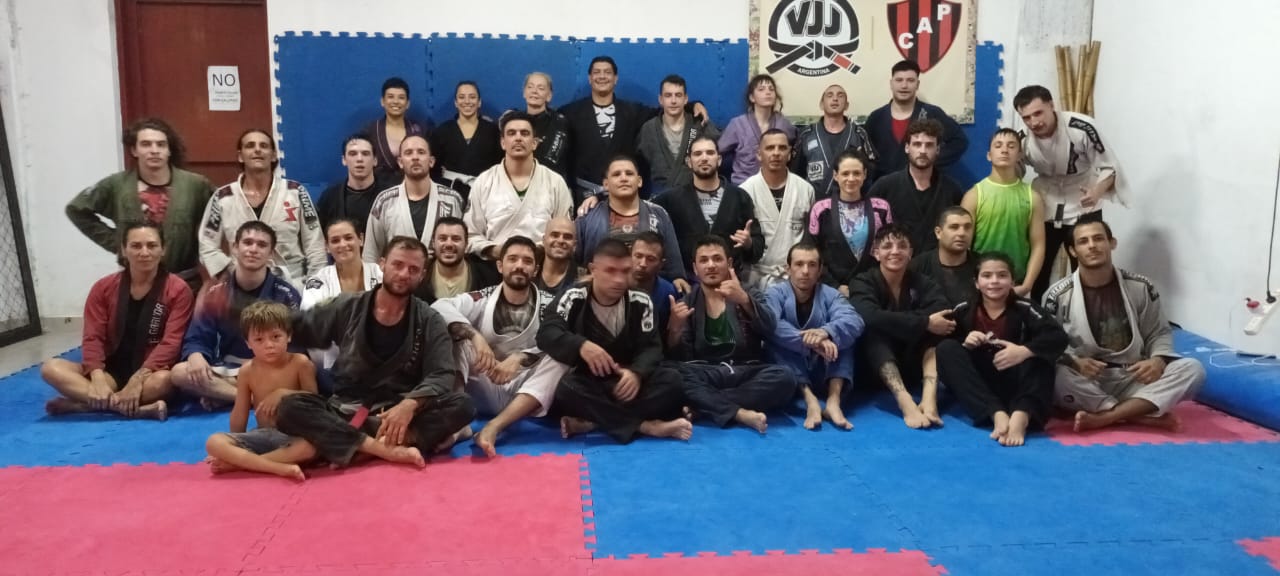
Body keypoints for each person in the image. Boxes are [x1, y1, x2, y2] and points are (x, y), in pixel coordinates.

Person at [275, 236, 476, 468]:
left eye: (413, 269)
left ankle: (352, 444)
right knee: (289, 407)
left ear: (422, 275)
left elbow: (441, 373)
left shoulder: (429, 319)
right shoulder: (348, 306)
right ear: (382, 264)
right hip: (346, 409)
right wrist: (246, 313)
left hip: (399, 413)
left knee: (463, 405)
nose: (404, 274)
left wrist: (409, 405)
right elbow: (303, 326)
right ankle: (381, 448)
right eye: (397, 265)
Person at [1043, 220, 1204, 432]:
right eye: (1083, 241)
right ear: (1073, 251)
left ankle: (1106, 416)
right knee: (1052, 374)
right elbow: (1048, 344)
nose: (1092, 246)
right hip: (1088, 380)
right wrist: (1075, 362)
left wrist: (1157, 360)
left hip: (1134, 376)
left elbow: (1158, 332)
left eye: (1098, 239)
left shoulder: (1141, 286)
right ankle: (1138, 415)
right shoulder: (1057, 295)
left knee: (1193, 369)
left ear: (1112, 243)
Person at [538, 238, 692, 443]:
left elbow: (652, 347)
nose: (619, 280)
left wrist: (637, 373)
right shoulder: (573, 297)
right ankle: (645, 426)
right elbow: (546, 333)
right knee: (565, 388)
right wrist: (580, 345)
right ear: (593, 269)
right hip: (589, 381)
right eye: (610, 271)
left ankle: (595, 421)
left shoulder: (641, 300)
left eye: (625, 271)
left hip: (627, 382)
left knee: (673, 381)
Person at [431, 236, 568, 457]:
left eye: (527, 261)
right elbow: (439, 306)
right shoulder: (483, 298)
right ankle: (457, 422)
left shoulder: (550, 303)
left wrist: (520, 358)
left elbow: (564, 340)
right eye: (513, 259)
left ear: (535, 270)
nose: (519, 266)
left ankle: (494, 427)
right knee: (458, 339)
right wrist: (474, 336)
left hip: (525, 391)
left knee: (561, 358)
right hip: (486, 382)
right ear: (500, 266)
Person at [41, 223, 193, 420]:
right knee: (51, 368)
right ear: (123, 250)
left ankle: (87, 405)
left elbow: (172, 342)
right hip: (109, 371)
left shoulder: (178, 290)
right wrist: (97, 376)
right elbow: (93, 337)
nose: (144, 252)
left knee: (165, 381)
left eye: (152, 245)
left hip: (152, 373)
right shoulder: (103, 288)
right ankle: (127, 408)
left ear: (163, 249)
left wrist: (138, 378)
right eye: (136, 246)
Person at [65, 118, 214, 290]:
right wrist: (118, 243)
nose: (154, 150)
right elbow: (76, 209)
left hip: (185, 282)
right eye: (146, 144)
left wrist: (213, 253)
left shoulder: (195, 185)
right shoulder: (117, 185)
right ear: (134, 150)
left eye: (161, 145)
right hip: (135, 282)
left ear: (169, 150)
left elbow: (225, 211)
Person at [937, 252, 1068, 447]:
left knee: (1041, 358)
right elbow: (945, 340)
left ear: (1012, 281)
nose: (994, 281)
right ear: (976, 283)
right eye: (987, 276)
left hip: (1017, 382)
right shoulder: (964, 309)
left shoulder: (1026, 308)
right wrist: (965, 341)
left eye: (1002, 275)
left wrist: (1023, 351)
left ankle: (1021, 416)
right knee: (946, 349)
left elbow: (1058, 337)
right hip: (982, 386)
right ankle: (995, 413)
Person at [667, 236, 794, 433]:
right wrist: (674, 329)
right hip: (707, 372)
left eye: (717, 259)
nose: (711, 265)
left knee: (785, 377)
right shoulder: (687, 302)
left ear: (729, 263)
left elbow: (770, 327)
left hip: (745, 370)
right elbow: (680, 357)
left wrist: (744, 300)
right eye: (704, 260)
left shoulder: (747, 292)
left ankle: (705, 404)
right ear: (695, 268)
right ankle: (739, 413)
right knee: (670, 373)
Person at [172, 222, 303, 407]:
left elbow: (297, 345)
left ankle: (222, 394)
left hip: (270, 368)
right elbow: (197, 338)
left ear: (271, 253)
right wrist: (196, 355)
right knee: (179, 372)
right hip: (230, 368)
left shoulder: (286, 294)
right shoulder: (216, 293)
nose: (253, 249)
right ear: (235, 247)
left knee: (299, 372)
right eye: (247, 242)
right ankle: (250, 398)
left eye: (262, 245)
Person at [1015, 85, 1126, 298]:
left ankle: (1090, 309)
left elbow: (1109, 166)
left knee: (1088, 264)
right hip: (1046, 198)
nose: (1034, 122)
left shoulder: (1082, 127)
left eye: (1038, 113)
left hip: (1083, 195)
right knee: (1040, 266)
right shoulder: (1022, 138)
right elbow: (1014, 169)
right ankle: (1038, 312)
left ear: (1051, 105)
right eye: (1026, 117)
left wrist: (1097, 191)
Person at [848, 224, 952, 429]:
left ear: (910, 253)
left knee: (938, 330)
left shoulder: (922, 281)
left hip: (911, 362)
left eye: (902, 246)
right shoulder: (862, 281)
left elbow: (942, 309)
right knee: (873, 331)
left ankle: (929, 398)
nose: (895, 251)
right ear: (876, 253)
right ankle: (904, 400)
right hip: (875, 366)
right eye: (887, 246)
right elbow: (869, 316)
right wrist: (924, 322)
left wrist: (905, 323)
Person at [562, 56, 707, 202]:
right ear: (590, 78)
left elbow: (666, 109)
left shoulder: (632, 111)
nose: (602, 76)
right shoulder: (571, 113)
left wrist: (692, 105)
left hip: (624, 195)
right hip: (585, 196)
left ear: (615, 78)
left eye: (607, 72)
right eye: (597, 72)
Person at [204, 301, 317, 480]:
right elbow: (240, 411)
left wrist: (283, 393)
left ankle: (241, 464)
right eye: (259, 340)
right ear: (248, 343)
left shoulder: (300, 363)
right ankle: (278, 467)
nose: (269, 345)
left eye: (276, 337)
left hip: (294, 436)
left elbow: (316, 402)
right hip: (262, 434)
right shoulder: (247, 371)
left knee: (311, 448)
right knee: (214, 442)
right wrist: (234, 441)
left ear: (288, 336)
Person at [198, 129, 326, 287]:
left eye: (264, 146)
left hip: (292, 283)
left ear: (273, 155)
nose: (257, 150)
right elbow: (207, 245)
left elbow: (315, 244)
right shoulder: (224, 197)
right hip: (241, 285)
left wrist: (314, 286)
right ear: (240, 156)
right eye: (250, 145)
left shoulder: (294, 192)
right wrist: (230, 273)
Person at [764, 242, 863, 430]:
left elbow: (854, 320)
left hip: (824, 367)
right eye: (799, 264)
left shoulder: (831, 295)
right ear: (788, 269)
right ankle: (810, 401)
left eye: (811, 265)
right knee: (773, 342)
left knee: (843, 338)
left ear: (819, 270)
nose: (805, 271)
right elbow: (770, 324)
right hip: (791, 370)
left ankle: (834, 402)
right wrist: (809, 342)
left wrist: (827, 333)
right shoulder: (774, 293)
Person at [464, 112, 574, 262]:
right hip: (494, 264)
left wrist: (536, 251)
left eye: (524, 133)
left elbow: (565, 232)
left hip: (541, 264)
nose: (518, 138)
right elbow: (470, 234)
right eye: (511, 133)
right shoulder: (484, 181)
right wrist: (495, 251)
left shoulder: (555, 182)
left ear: (535, 143)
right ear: (503, 142)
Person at [654, 136, 763, 276]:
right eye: (697, 154)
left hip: (730, 279)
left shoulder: (739, 197)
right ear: (689, 162)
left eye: (710, 153)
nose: (704, 158)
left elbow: (758, 248)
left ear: (719, 160)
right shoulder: (670, 200)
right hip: (688, 280)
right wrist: (675, 276)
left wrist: (749, 243)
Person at [575, 156, 688, 290]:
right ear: (606, 184)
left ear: (639, 181)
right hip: (600, 290)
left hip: (649, 290)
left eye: (629, 174)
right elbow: (575, 260)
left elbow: (673, 260)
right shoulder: (588, 216)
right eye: (616, 174)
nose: (623, 178)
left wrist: (678, 277)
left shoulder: (659, 213)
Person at [960, 128, 1046, 297]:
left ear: (1020, 155)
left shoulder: (1033, 197)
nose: (1004, 150)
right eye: (998, 146)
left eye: (1011, 146)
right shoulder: (974, 195)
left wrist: (1027, 285)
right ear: (989, 155)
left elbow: (1038, 245)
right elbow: (963, 245)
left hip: (1017, 284)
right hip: (981, 285)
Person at [362, 135, 466, 262]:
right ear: (400, 162)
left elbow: (464, 248)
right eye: (408, 153)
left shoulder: (452, 200)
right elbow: (370, 254)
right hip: (399, 273)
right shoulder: (384, 202)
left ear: (431, 161)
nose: (415, 157)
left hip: (440, 273)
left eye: (421, 152)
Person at [869, 119, 963, 253]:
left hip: (938, 262)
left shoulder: (952, 190)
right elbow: (868, 230)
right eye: (917, 144)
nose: (923, 151)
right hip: (898, 261)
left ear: (937, 149)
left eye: (929, 145)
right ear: (907, 147)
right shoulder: (884, 187)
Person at [301, 219, 383, 372]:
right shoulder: (317, 282)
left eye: (348, 237)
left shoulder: (379, 275)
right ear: (327, 247)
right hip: (333, 365)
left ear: (361, 239)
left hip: (380, 359)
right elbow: (313, 322)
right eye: (335, 241)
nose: (343, 244)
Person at [806, 151, 893, 294]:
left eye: (857, 173)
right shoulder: (821, 209)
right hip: (832, 289)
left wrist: (876, 282)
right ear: (835, 175)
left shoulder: (881, 208)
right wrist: (834, 286)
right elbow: (811, 253)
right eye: (845, 173)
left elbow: (889, 249)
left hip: (873, 286)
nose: (851, 178)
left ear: (865, 174)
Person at [864, 60, 968, 180]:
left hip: (925, 183)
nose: (904, 85)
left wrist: (929, 160)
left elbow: (959, 141)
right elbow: (865, 155)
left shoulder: (932, 113)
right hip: (884, 186)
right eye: (899, 80)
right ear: (891, 84)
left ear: (917, 84)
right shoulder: (876, 118)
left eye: (910, 80)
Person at [739, 130, 816, 290]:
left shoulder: (805, 189)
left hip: (795, 277)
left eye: (782, 148)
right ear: (759, 154)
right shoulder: (745, 191)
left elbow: (810, 237)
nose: (776, 153)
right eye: (770, 148)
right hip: (757, 277)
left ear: (790, 153)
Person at [635, 74, 721, 197]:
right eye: (668, 95)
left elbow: (718, 154)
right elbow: (639, 164)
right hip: (660, 196)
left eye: (678, 95)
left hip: (697, 195)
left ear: (686, 99)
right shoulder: (649, 129)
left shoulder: (699, 124)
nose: (673, 101)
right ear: (660, 99)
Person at [793, 84, 878, 196]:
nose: (835, 99)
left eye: (840, 95)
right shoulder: (807, 134)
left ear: (846, 105)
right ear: (822, 104)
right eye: (830, 95)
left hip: (851, 199)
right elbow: (796, 172)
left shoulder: (859, 134)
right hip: (815, 201)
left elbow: (871, 171)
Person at [718, 74, 797, 185]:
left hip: (774, 185)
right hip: (743, 185)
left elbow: (795, 152)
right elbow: (716, 151)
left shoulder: (784, 125)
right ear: (752, 97)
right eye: (761, 89)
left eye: (771, 89)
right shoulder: (737, 124)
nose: (768, 92)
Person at [430, 81, 503, 199]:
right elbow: (433, 167)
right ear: (455, 102)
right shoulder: (442, 131)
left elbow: (501, 164)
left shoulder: (493, 131)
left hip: (486, 192)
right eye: (461, 97)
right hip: (449, 192)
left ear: (479, 102)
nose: (467, 101)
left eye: (472, 97)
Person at [316, 135, 395, 235]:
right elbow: (320, 237)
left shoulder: (391, 195)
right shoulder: (329, 198)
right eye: (353, 154)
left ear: (375, 160)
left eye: (365, 154)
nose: (359, 159)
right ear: (344, 160)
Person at [417, 217, 499, 303]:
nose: (449, 244)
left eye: (456, 239)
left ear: (466, 244)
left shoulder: (488, 275)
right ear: (433, 243)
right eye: (443, 238)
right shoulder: (418, 274)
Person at [508, 71, 571, 182]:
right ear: (524, 93)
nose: (534, 91)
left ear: (549, 96)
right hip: (517, 181)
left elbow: (553, 160)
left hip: (550, 183)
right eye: (530, 87)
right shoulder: (512, 121)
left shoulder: (559, 123)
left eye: (540, 88)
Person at [909, 207, 979, 305]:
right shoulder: (917, 267)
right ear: (938, 233)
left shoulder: (982, 265)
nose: (962, 233)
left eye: (967, 227)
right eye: (954, 227)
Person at [364, 77, 429, 180]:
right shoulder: (371, 130)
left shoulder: (419, 129)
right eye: (390, 97)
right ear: (382, 101)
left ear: (408, 104)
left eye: (401, 98)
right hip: (379, 187)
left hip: (413, 185)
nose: (395, 101)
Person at [629, 231, 680, 338]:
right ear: (629, 255)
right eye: (638, 256)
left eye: (651, 259)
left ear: (661, 264)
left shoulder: (668, 293)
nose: (643, 264)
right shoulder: (614, 285)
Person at [536, 216, 586, 295]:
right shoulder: (529, 271)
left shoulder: (583, 280)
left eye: (567, 237)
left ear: (575, 245)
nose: (560, 240)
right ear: (544, 240)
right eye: (555, 235)